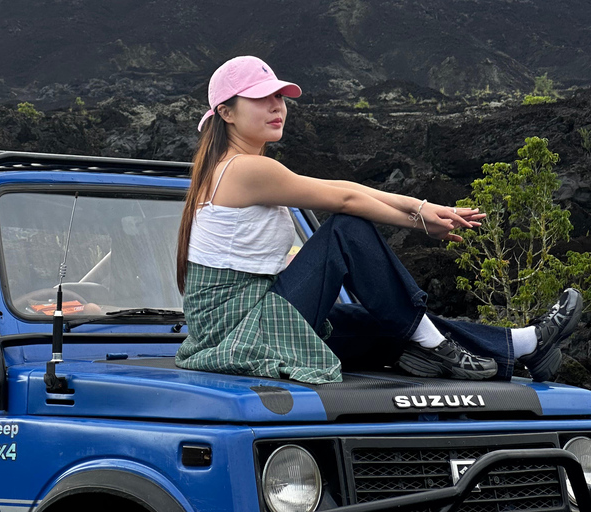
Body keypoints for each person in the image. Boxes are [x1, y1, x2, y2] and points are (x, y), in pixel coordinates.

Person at [174, 55, 583, 384]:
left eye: (279, 97)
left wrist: (421, 207)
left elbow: (344, 184)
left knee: (393, 325)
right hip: (243, 330)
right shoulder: (245, 170)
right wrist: (421, 222)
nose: (277, 106)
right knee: (346, 229)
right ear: (226, 113)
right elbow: (348, 200)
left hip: (250, 322)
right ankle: (438, 344)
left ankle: (523, 345)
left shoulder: (238, 168)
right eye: (262, 98)